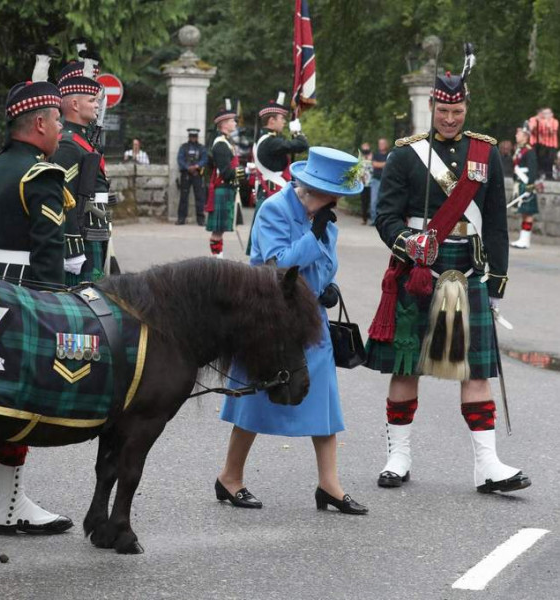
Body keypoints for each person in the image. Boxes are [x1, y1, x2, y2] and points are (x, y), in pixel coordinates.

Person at [364, 70, 531, 495]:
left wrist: (498, 278)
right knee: (407, 364)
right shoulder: (406, 155)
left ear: (466, 108)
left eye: (457, 111)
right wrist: (407, 242)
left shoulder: (485, 152)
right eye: (443, 111)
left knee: (476, 370)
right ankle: (398, 458)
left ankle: (487, 466)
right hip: (420, 270)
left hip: (471, 267)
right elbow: (384, 217)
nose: (450, 119)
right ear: (431, 109)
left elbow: (495, 220)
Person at [216, 146, 367, 515]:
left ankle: (329, 485)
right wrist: (314, 236)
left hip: (310, 317)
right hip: (270, 315)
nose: (339, 202)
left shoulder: (325, 217)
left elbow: (325, 263)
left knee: (325, 400)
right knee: (254, 399)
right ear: (318, 189)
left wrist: (326, 284)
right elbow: (277, 266)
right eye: (337, 194)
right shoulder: (274, 209)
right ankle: (229, 478)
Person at [0, 54, 74, 535]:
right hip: (24, 296)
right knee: (17, 404)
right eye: (59, 121)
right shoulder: (41, 175)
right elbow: (48, 256)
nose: (63, 130)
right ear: (41, 123)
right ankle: (11, 507)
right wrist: (60, 310)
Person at [51, 50, 112, 285]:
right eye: (92, 100)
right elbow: (64, 195)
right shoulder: (67, 144)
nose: (97, 105)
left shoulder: (84, 141)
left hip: (95, 228)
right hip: (83, 236)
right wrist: (72, 245)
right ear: (74, 104)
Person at [247, 93, 308, 254]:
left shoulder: (267, 140)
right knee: (271, 245)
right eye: (282, 119)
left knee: (269, 244)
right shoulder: (270, 142)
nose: (284, 122)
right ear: (271, 121)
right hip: (273, 193)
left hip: (271, 193)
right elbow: (302, 145)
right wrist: (297, 132)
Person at [205, 99, 243, 258]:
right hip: (222, 189)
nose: (235, 123)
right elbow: (226, 172)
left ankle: (218, 258)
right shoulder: (220, 144)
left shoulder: (227, 142)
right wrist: (244, 171)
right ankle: (217, 260)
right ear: (224, 124)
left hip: (227, 190)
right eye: (232, 120)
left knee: (220, 230)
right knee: (217, 230)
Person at [510, 124, 538, 249]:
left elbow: (533, 169)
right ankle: (523, 238)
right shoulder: (520, 149)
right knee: (524, 212)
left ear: (525, 136)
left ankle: (526, 240)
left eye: (519, 133)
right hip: (520, 183)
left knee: (528, 212)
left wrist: (530, 185)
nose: (516, 135)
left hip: (527, 184)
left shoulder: (529, 150)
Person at [176, 128, 207, 225]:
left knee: (199, 197)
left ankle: (200, 219)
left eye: (195, 136)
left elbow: (204, 159)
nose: (193, 138)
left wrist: (197, 166)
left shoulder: (201, 148)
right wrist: (188, 167)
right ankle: (181, 218)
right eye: (191, 136)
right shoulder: (184, 147)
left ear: (197, 137)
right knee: (183, 197)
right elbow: (180, 159)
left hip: (197, 174)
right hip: (186, 174)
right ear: (189, 137)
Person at [528, 107, 558, 179]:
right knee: (542, 159)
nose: (545, 115)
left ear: (551, 114)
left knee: (550, 159)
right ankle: (539, 174)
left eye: (547, 113)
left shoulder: (555, 121)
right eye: (544, 113)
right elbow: (536, 131)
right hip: (543, 144)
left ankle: (549, 175)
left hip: (552, 144)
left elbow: (552, 132)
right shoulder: (540, 121)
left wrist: (547, 124)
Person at [369, 137, 390, 225]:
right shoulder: (375, 154)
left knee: (384, 200)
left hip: (386, 180)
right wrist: (384, 164)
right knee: (374, 201)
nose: (381, 145)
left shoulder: (390, 154)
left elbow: (388, 164)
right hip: (376, 180)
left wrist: (380, 164)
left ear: (386, 145)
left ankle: (382, 220)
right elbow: (374, 164)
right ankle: (374, 220)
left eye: (382, 143)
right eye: (379, 144)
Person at [359, 144, 373, 224]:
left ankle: (372, 218)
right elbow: (359, 169)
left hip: (372, 182)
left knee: (372, 201)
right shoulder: (360, 158)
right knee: (364, 201)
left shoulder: (373, 157)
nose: (365, 150)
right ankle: (364, 219)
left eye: (367, 148)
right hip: (363, 183)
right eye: (364, 148)